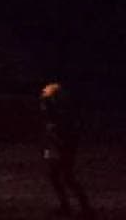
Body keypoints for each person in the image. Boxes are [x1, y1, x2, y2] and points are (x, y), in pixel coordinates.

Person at [40, 82, 92, 216]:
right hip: (57, 146)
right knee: (56, 177)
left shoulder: (60, 112)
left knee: (66, 177)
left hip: (62, 147)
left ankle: (83, 207)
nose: (43, 92)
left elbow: (62, 131)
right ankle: (69, 205)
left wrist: (59, 146)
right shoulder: (55, 111)